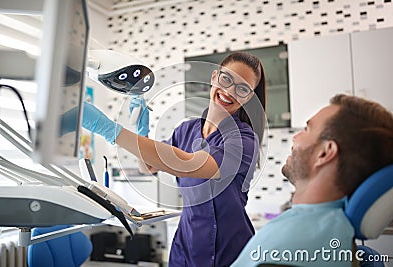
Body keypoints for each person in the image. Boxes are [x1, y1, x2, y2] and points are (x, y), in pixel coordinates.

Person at [79, 52, 267, 266]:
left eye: (242, 88)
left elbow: (189, 165)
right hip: (186, 246)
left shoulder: (243, 139)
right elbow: (147, 166)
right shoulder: (186, 130)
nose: (229, 91)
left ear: (249, 96)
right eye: (226, 79)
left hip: (230, 252)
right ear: (214, 77)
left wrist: (111, 130)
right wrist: (141, 131)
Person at [231, 94, 393, 267]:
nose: (295, 137)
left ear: (324, 153)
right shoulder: (330, 227)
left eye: (307, 129)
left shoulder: (292, 248)